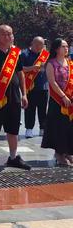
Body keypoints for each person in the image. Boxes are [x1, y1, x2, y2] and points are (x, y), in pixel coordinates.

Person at [0, 25, 30, 172]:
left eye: (10, 34)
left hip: (14, 96)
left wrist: (24, 94)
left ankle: (13, 158)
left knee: (13, 129)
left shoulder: (15, 53)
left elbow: (21, 74)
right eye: (4, 34)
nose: (8, 37)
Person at [41, 38, 73, 166]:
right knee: (59, 127)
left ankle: (69, 152)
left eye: (67, 46)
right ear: (56, 49)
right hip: (57, 100)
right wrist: (63, 96)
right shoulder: (51, 63)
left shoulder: (70, 63)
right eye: (63, 46)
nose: (66, 49)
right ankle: (59, 153)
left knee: (70, 127)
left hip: (70, 100)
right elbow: (52, 82)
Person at [21, 36, 49, 138]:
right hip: (30, 87)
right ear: (32, 43)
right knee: (30, 109)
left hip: (43, 86)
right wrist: (33, 68)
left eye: (41, 45)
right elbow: (21, 69)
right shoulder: (24, 54)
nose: (38, 47)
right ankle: (29, 129)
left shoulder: (45, 55)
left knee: (43, 109)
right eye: (36, 44)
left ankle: (43, 128)